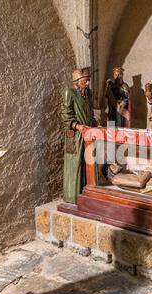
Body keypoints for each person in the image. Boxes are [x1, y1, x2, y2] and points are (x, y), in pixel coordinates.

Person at [61, 67, 97, 204]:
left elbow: (90, 111)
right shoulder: (69, 93)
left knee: (87, 162)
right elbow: (65, 114)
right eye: (85, 81)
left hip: (87, 133)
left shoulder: (88, 93)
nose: (87, 84)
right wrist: (77, 126)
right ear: (77, 82)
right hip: (75, 135)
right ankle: (73, 195)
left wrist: (94, 122)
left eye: (88, 81)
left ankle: (86, 193)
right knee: (75, 164)